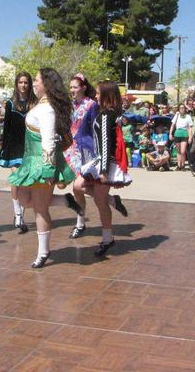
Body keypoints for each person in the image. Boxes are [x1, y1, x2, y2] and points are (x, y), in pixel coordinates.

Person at [8, 68, 78, 268]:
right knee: (24, 199)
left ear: (46, 84)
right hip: (31, 161)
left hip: (41, 164)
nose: (34, 84)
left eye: (37, 80)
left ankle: (43, 251)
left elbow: (48, 140)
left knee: (39, 208)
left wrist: (48, 170)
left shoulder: (47, 109)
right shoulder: (42, 105)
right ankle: (66, 200)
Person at [74, 80, 132, 257]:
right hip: (100, 160)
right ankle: (113, 201)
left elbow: (106, 144)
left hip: (105, 162)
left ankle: (108, 238)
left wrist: (103, 171)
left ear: (106, 95)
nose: (96, 96)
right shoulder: (106, 113)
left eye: (98, 93)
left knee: (100, 202)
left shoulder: (106, 115)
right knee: (78, 186)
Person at [0, 72, 37, 233]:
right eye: (20, 82)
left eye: (26, 82)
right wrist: (2, 149)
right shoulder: (10, 104)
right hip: (14, 146)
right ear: (16, 84)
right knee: (16, 179)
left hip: (30, 146)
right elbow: (6, 129)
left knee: (25, 181)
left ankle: (21, 215)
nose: (23, 85)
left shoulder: (34, 103)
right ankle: (18, 214)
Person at [63, 74, 99, 239]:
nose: (72, 90)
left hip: (84, 152)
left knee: (77, 187)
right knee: (62, 184)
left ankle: (80, 222)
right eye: (70, 87)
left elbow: (96, 130)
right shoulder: (70, 105)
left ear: (83, 87)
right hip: (69, 150)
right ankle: (111, 200)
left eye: (75, 87)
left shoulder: (92, 105)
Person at [169, 103, 193, 170]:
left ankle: (183, 165)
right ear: (179, 109)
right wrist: (170, 134)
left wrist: (190, 137)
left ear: (185, 109)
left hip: (184, 134)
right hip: (177, 134)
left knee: (183, 151)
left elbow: (190, 127)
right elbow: (172, 125)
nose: (182, 109)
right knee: (178, 151)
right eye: (180, 108)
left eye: (183, 108)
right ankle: (179, 165)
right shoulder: (177, 115)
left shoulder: (188, 116)